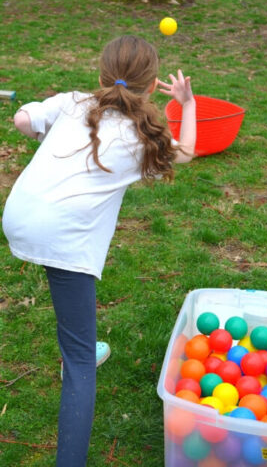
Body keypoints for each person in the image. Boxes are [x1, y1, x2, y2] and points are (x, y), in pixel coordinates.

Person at [2, 35, 196, 467]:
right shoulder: (142, 137)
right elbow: (188, 152)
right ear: (150, 88)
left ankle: (83, 344)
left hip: (20, 215)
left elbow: (21, 119)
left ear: (101, 73)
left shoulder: (73, 101)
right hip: (63, 235)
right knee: (77, 364)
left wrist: (44, 128)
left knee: (73, 319)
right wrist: (187, 103)